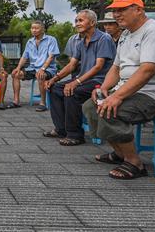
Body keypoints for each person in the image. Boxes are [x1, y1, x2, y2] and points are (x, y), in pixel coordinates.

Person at [82, 0, 155, 180]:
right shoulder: (126, 34)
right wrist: (104, 88)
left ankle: (134, 161)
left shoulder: (154, 31)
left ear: (138, 10)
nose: (117, 15)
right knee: (90, 106)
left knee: (112, 109)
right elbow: (116, 67)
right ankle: (120, 153)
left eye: (122, 10)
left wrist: (117, 96)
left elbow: (148, 70)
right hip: (133, 90)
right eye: (115, 11)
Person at [45, 10, 115, 146]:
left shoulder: (103, 38)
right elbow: (72, 65)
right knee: (54, 88)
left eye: (81, 20)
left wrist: (75, 82)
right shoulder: (81, 42)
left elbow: (98, 66)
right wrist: (55, 78)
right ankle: (61, 129)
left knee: (73, 92)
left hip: (100, 81)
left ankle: (75, 134)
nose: (77, 23)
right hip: (84, 80)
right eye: (76, 21)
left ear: (93, 23)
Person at [9, 20, 59, 109]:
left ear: (43, 30)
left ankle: (42, 103)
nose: (34, 30)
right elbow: (24, 57)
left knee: (40, 75)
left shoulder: (51, 40)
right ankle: (16, 101)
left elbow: (51, 57)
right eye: (32, 28)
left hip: (48, 69)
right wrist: (18, 68)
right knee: (16, 74)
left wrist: (43, 69)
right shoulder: (30, 42)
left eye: (36, 28)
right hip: (32, 68)